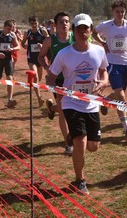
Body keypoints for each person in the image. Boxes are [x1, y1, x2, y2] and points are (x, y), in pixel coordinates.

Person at [47, 13, 109, 195]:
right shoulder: (63, 54)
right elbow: (51, 77)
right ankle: (80, 181)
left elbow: (104, 71)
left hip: (91, 103)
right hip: (70, 102)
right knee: (80, 142)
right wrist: (57, 90)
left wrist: (104, 82)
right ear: (74, 31)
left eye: (86, 28)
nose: (83, 32)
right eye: (79, 28)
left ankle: (71, 137)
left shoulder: (99, 51)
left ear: (91, 31)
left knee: (93, 146)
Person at [92, 0, 127, 139]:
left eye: (122, 11)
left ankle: (105, 102)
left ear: (125, 12)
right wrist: (103, 43)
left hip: (126, 63)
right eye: (117, 12)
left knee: (118, 94)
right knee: (121, 95)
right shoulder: (107, 25)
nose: (120, 14)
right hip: (111, 62)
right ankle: (126, 128)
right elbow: (93, 32)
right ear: (113, 12)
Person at [38, 12, 74, 155]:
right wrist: (47, 68)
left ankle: (52, 108)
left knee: (72, 108)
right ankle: (68, 143)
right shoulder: (49, 41)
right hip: (58, 79)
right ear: (56, 25)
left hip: (73, 79)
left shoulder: (75, 37)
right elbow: (40, 57)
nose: (64, 24)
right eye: (61, 22)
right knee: (64, 111)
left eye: (66, 21)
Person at [0, 20, 20, 108]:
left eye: (11, 29)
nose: (9, 31)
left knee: (10, 77)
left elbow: (18, 47)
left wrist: (12, 49)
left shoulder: (12, 35)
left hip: (8, 59)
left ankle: (10, 99)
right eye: (8, 29)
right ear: (4, 27)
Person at [22, 16, 49, 107]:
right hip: (31, 59)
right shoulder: (27, 32)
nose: (33, 25)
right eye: (32, 23)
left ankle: (36, 86)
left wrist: (42, 45)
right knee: (35, 77)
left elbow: (49, 41)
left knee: (39, 78)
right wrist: (25, 46)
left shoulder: (43, 31)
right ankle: (39, 98)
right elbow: (22, 43)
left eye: (35, 23)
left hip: (40, 58)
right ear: (29, 24)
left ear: (38, 23)